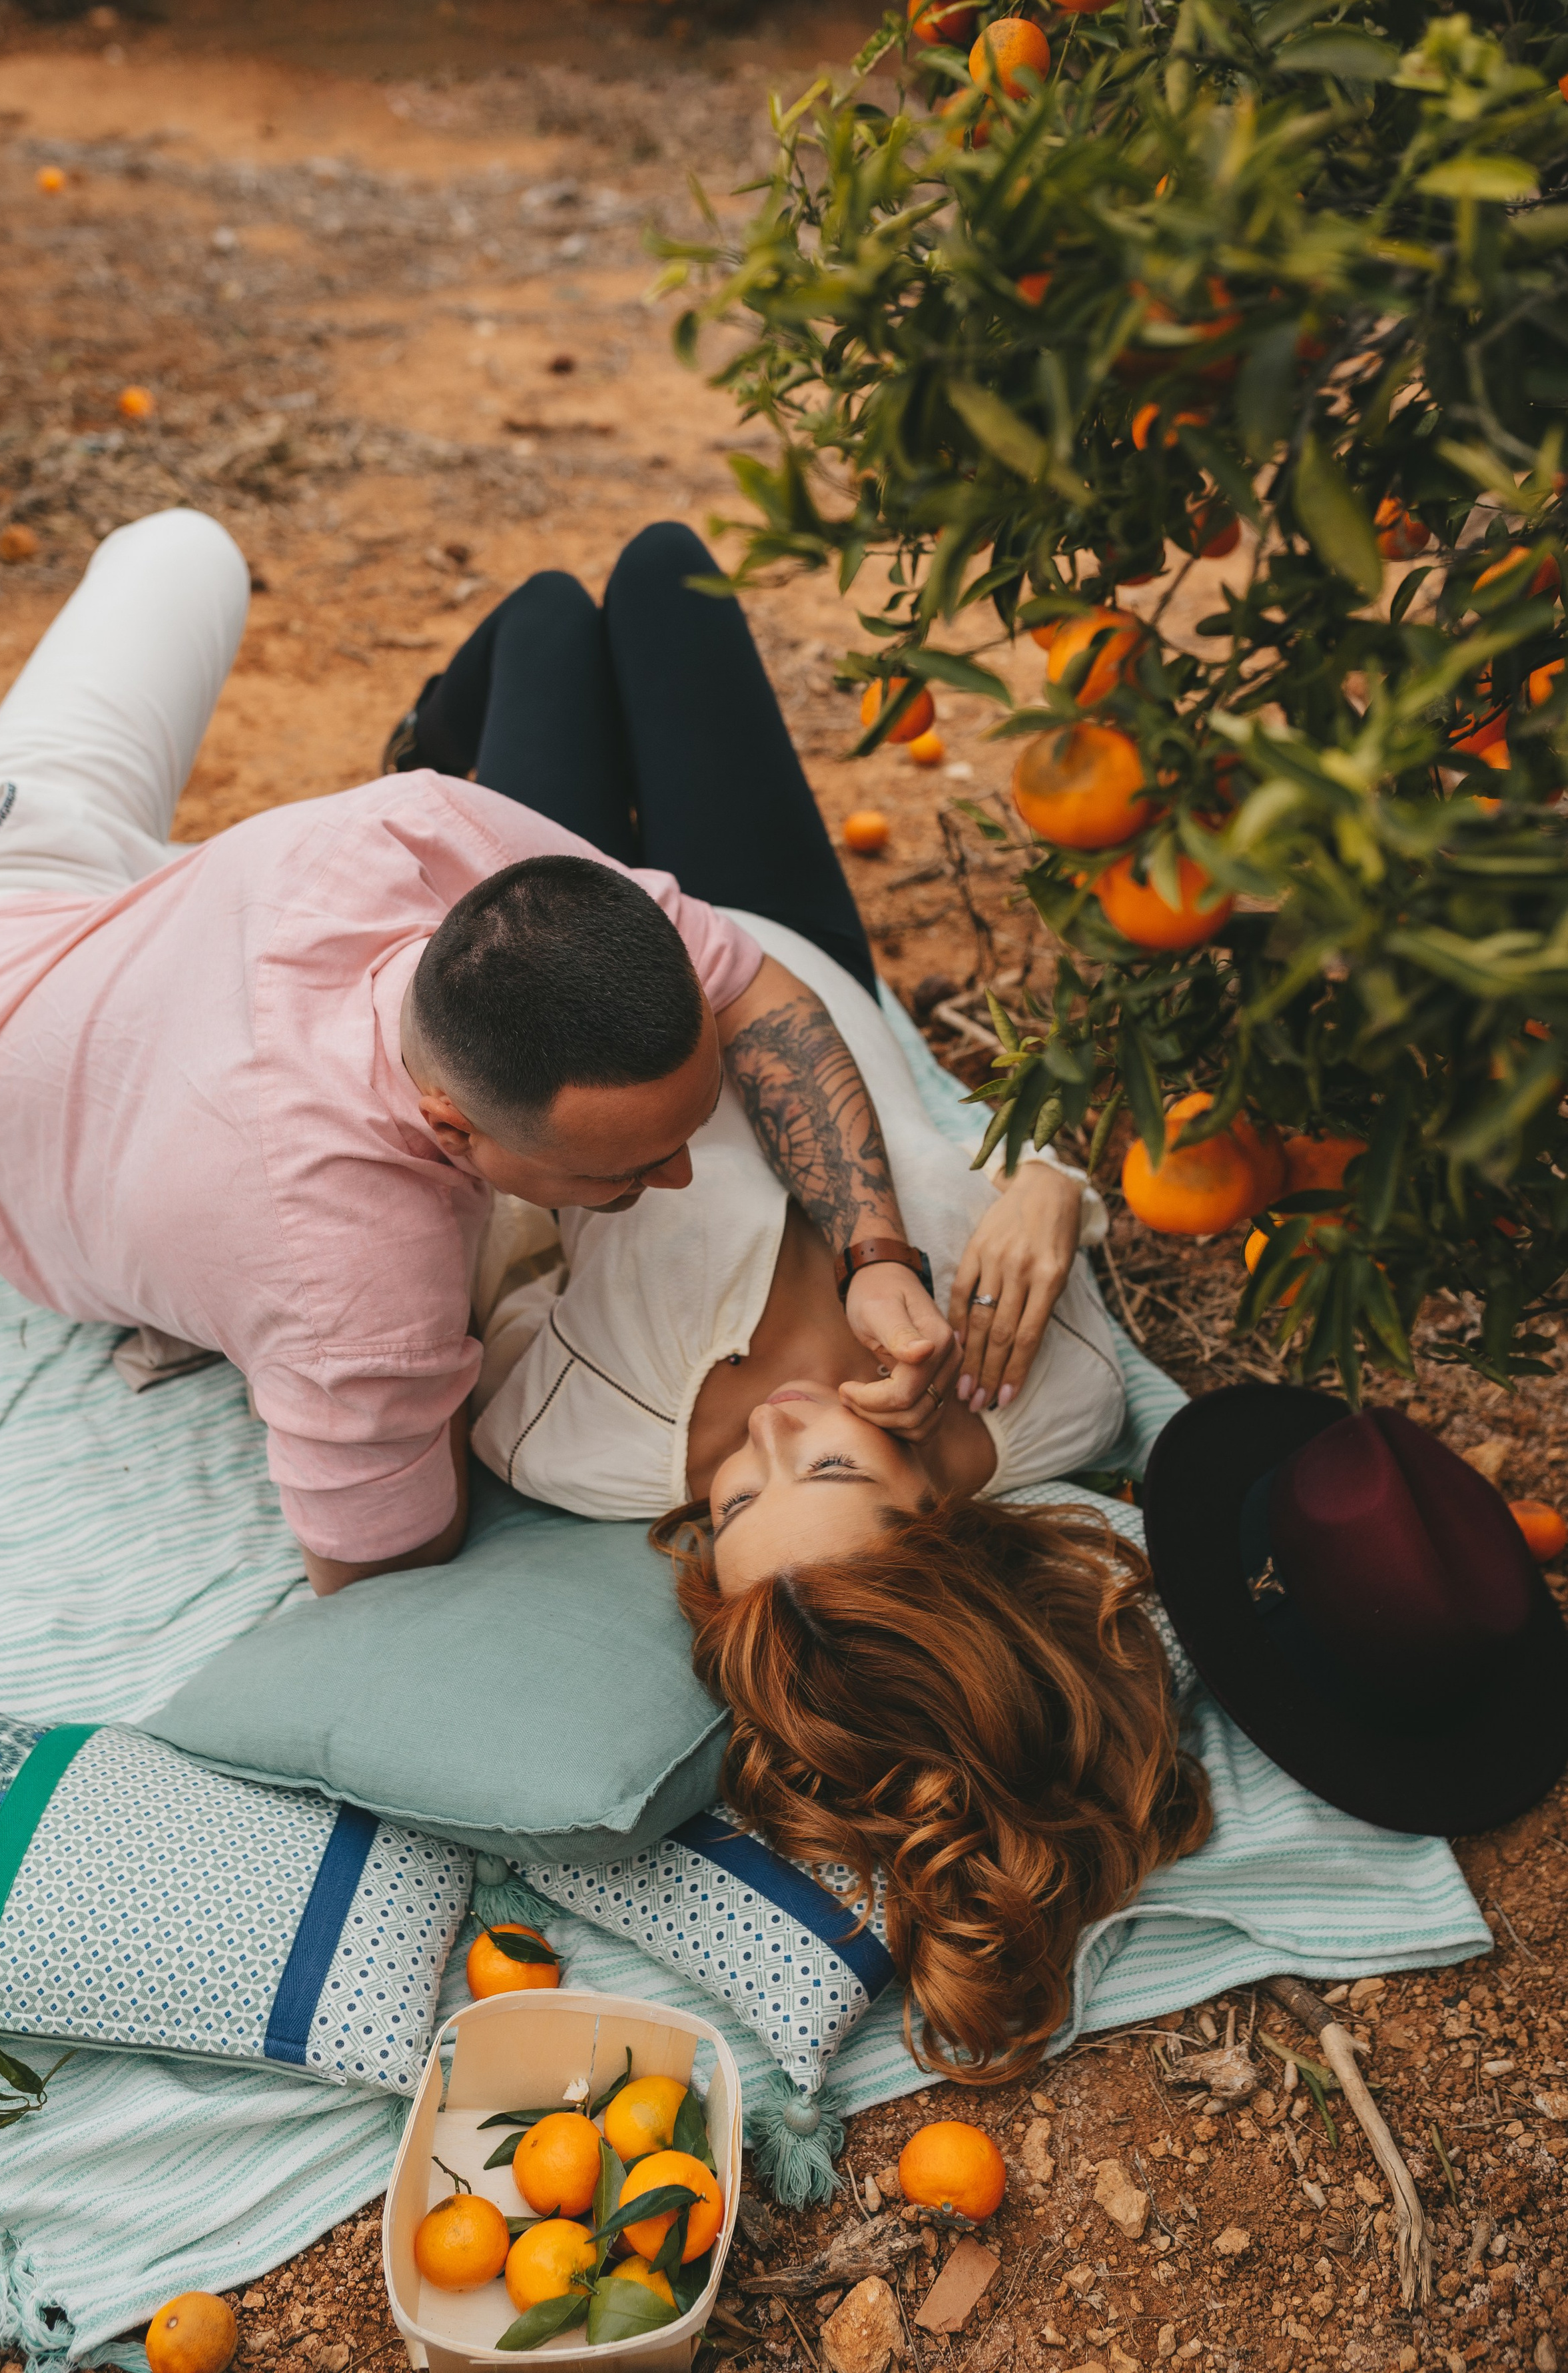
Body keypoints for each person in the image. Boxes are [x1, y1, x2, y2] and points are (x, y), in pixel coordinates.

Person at [402, 524, 1207, 2081]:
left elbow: (456, 1262)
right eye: (823, 1462)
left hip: (580, 992)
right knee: (662, 574)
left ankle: (429, 755)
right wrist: (1057, 1193)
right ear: (938, 1495)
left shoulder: (579, 1442)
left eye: (731, 1496)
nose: (768, 1430)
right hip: (801, 972)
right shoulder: (1042, 1394)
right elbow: (999, 1160)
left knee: (550, 625)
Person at [0, 509, 958, 1596]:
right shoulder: (349, 1292)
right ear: (451, 1129)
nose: (677, 1173)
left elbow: (756, 990)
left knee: (185, 552)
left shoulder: (438, 832)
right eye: (621, 1170)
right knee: (167, 568)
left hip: (148, 948)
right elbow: (382, 1574)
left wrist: (876, 1253)